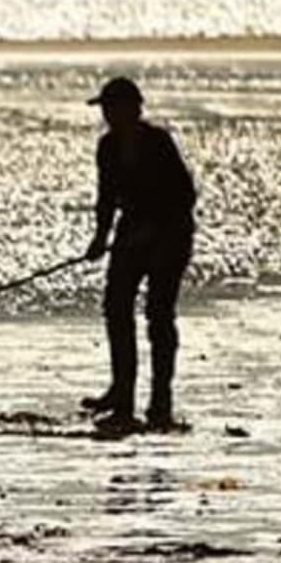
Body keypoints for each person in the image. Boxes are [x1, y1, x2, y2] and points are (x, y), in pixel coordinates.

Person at [78, 77, 196, 432]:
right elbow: (107, 197)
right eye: (105, 109)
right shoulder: (108, 147)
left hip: (171, 237)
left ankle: (160, 401)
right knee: (116, 307)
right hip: (130, 235)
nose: (107, 115)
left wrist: (154, 229)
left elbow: (184, 195)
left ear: (134, 108)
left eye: (112, 107)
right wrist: (100, 238)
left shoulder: (158, 142)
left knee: (159, 315)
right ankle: (122, 394)